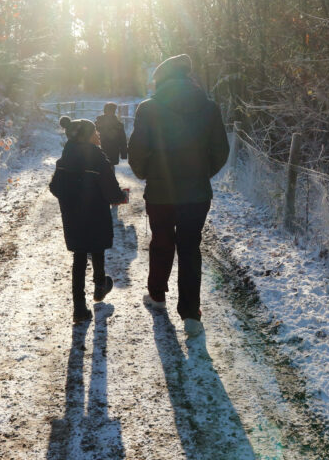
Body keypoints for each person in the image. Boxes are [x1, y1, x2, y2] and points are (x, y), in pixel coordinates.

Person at [128, 54, 229, 337]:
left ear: (161, 80)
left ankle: (157, 296)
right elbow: (221, 151)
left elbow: (136, 152)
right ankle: (191, 314)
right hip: (196, 194)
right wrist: (200, 173)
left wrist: (150, 172)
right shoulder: (209, 108)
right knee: (189, 247)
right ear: (189, 78)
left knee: (161, 240)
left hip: (160, 192)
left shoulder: (149, 109)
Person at [49, 116, 126, 323]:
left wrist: (70, 198)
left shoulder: (64, 159)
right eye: (95, 132)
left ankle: (79, 308)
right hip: (95, 214)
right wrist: (121, 197)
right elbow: (110, 191)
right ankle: (100, 286)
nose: (98, 135)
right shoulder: (98, 158)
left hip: (72, 217)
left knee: (79, 257)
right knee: (97, 247)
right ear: (88, 135)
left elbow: (55, 188)